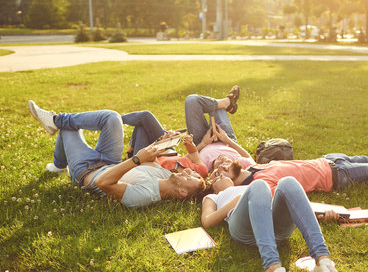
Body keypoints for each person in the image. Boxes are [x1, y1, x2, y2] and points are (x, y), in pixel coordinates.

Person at [28, 101, 206, 208]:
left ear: (182, 192)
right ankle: (55, 123)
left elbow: (103, 182)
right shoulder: (167, 175)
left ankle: (59, 162)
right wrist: (161, 142)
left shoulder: (145, 196)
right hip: (109, 160)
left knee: (68, 129)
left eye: (191, 176)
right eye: (193, 172)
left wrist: (136, 160)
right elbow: (150, 161)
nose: (188, 171)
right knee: (112, 117)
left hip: (86, 171)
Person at [201, 175, 345, 272]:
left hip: (273, 226)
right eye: (214, 176)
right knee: (259, 186)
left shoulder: (249, 182)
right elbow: (207, 220)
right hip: (244, 230)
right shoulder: (214, 197)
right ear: (212, 188)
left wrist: (319, 215)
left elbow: (294, 202)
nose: (219, 173)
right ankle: (273, 270)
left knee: (288, 181)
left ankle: (323, 261)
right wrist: (238, 200)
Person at [207, 137, 368, 195]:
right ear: (226, 182)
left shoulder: (250, 168)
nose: (224, 165)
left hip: (328, 160)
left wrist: (226, 142)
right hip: (336, 177)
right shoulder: (259, 186)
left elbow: (239, 154)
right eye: (220, 171)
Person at [184, 86, 255, 171]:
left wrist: (203, 143)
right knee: (218, 108)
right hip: (226, 140)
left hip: (201, 141)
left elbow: (183, 160)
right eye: (229, 164)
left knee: (191, 101)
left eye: (222, 167)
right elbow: (249, 158)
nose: (223, 160)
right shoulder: (238, 164)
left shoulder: (204, 168)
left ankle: (226, 103)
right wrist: (227, 139)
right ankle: (225, 104)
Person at [121, 110, 208, 177]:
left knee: (142, 127)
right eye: (196, 174)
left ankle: (114, 120)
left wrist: (161, 141)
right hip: (169, 151)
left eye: (191, 176)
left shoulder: (170, 177)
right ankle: (115, 119)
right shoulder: (202, 171)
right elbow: (193, 153)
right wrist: (189, 144)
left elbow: (151, 161)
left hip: (146, 158)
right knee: (146, 116)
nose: (190, 171)